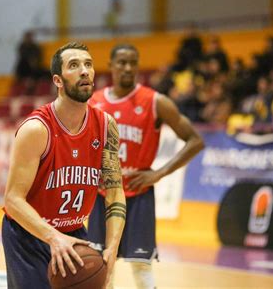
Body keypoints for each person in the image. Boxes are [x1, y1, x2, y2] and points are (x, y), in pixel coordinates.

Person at [3, 42, 126, 289]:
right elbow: (13, 200)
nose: (84, 71)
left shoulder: (105, 126)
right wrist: (53, 237)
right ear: (58, 81)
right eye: (74, 65)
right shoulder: (37, 129)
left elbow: (114, 193)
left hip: (74, 233)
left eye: (88, 64)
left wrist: (112, 248)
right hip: (29, 236)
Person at [88, 44, 205, 289]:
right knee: (101, 266)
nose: (127, 68)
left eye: (133, 62)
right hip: (102, 196)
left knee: (141, 266)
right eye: (121, 62)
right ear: (110, 66)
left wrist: (160, 173)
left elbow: (195, 141)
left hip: (137, 194)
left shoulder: (155, 101)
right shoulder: (94, 102)